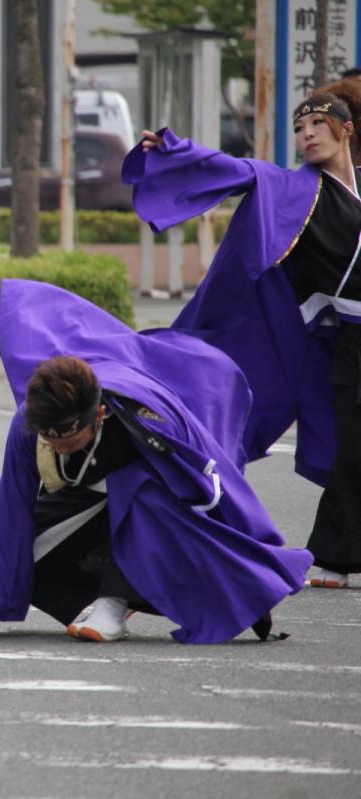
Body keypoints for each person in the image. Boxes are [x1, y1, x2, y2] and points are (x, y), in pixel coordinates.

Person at [0, 280, 312, 644]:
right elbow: (16, 508)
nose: (58, 448)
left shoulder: (145, 420)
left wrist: (250, 574)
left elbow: (213, 490)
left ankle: (113, 603)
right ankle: (66, 597)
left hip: (160, 512)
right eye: (49, 440)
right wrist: (1, 597)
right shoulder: (28, 424)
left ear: (97, 415)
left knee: (141, 494)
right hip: (86, 501)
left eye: (68, 440)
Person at [124, 86, 361, 589]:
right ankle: (334, 555)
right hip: (341, 343)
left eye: (317, 124)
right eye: (299, 129)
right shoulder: (294, 188)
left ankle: (339, 553)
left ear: (346, 130)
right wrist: (174, 152)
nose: (307, 135)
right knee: (352, 445)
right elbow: (235, 169)